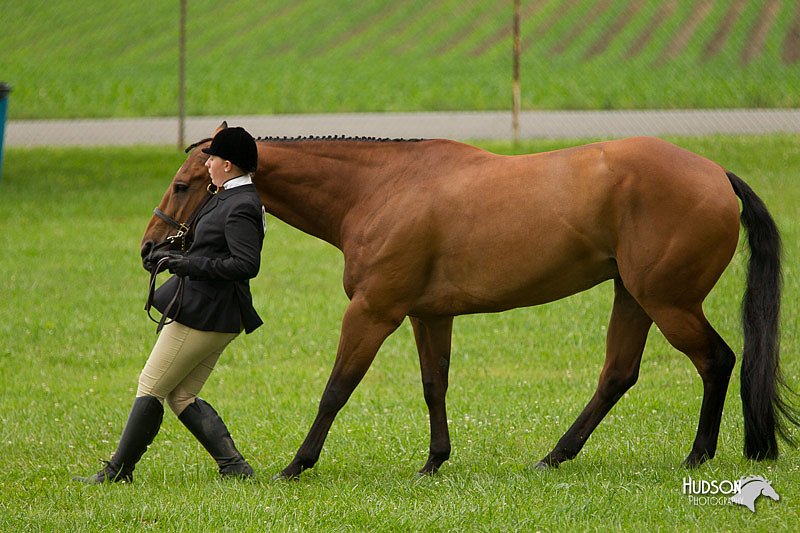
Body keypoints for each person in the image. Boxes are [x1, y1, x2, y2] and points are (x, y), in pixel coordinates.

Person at [74, 126, 265, 483]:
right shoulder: (225, 196)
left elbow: (245, 265)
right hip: (212, 311)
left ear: (228, 164)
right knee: (182, 395)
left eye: (212, 159)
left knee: (151, 385)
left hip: (205, 313)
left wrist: (190, 265)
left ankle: (118, 472)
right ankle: (234, 466)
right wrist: (172, 253)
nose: (207, 164)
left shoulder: (241, 206)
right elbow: (211, 246)